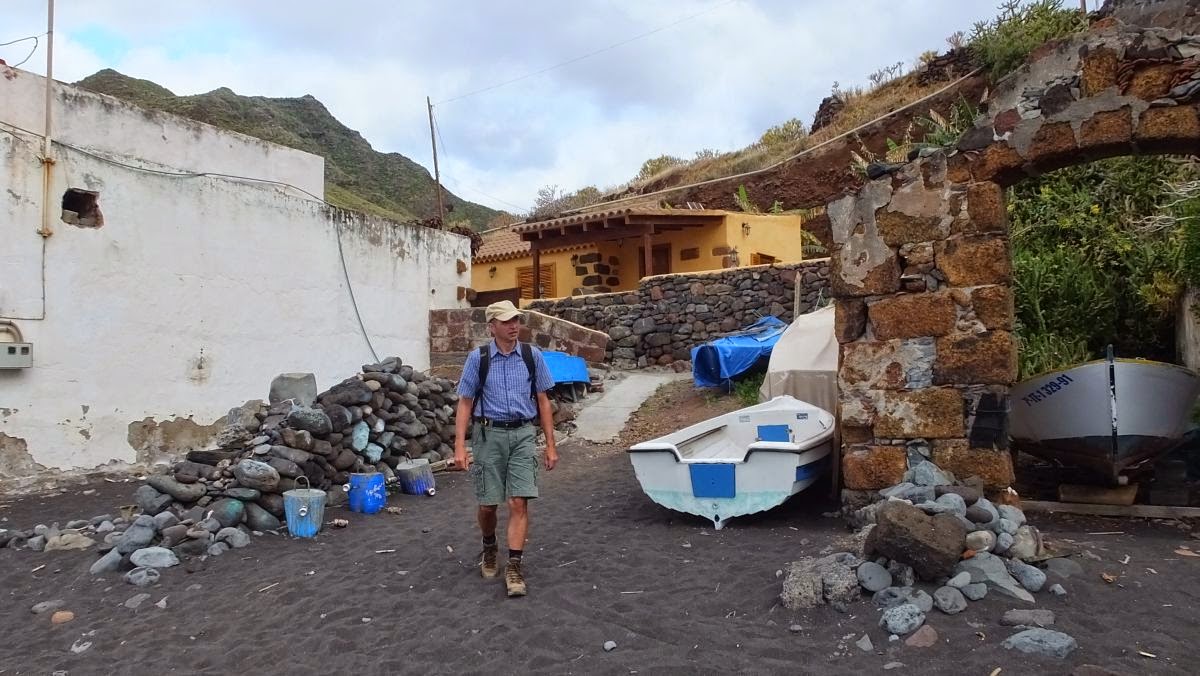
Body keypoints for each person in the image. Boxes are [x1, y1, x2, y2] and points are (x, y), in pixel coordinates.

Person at [454, 300, 558, 597]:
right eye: (506, 321)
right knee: (488, 504)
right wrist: (460, 446)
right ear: (492, 326)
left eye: (516, 320)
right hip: (488, 436)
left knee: (518, 503)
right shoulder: (479, 358)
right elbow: (464, 402)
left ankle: (514, 566)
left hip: (523, 434)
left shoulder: (531, 355)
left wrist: (550, 445)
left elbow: (542, 401)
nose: (514, 325)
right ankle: (489, 545)